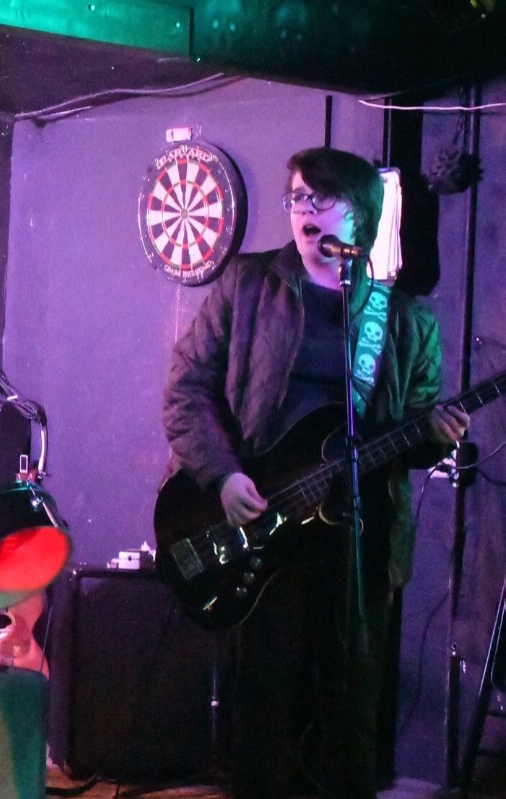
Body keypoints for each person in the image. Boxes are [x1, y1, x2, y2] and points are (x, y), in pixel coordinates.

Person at [162, 147, 469, 799]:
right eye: (297, 197)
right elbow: (186, 389)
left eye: (320, 198)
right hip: (265, 529)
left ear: (360, 214)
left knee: (350, 715)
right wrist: (223, 475)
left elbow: (408, 435)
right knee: (266, 714)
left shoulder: (404, 320)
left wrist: (433, 435)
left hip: (359, 540)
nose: (304, 209)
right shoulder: (248, 286)